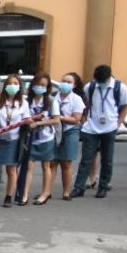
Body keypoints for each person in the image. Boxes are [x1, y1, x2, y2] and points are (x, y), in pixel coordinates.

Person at [71, 64, 127, 199]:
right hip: (91, 127)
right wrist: (84, 121)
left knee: (107, 159)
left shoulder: (119, 87)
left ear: (109, 77)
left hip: (110, 127)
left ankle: (103, 186)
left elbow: (126, 106)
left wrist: (118, 123)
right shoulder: (90, 87)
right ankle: (78, 187)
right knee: (86, 159)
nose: (99, 83)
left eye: (102, 81)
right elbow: (85, 105)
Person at [0, 74, 30, 207]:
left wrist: (28, 122)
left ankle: (8, 197)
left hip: (14, 140)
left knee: (11, 169)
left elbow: (26, 121)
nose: (13, 86)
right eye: (10, 83)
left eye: (16, 83)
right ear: (5, 86)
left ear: (19, 86)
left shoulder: (23, 103)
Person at [23, 73, 60, 205]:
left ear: (47, 87)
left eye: (43, 85)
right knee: (29, 166)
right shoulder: (27, 101)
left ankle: (45, 193)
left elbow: (56, 119)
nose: (40, 87)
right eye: (38, 84)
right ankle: (24, 194)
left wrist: (38, 123)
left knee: (46, 166)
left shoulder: (50, 100)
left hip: (46, 138)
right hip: (31, 138)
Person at [51, 72, 85, 201]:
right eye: (63, 81)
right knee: (52, 162)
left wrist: (59, 117)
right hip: (55, 130)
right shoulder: (54, 97)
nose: (65, 84)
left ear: (74, 85)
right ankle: (47, 191)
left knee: (66, 163)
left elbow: (76, 119)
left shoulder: (76, 99)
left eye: (69, 82)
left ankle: (66, 192)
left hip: (70, 131)